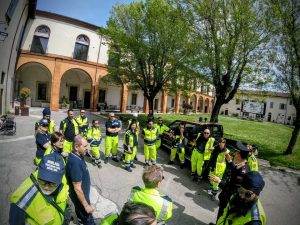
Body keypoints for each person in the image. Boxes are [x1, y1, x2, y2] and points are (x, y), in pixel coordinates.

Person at [9, 153, 68, 225]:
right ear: (39, 172)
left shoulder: (63, 181)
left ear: (61, 178)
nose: (46, 187)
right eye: (42, 181)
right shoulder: (21, 203)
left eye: (52, 183)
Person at [209, 141, 250, 220]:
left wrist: (219, 181)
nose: (234, 153)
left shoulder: (242, 172)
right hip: (226, 197)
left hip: (228, 199)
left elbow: (232, 190)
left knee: (222, 217)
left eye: (237, 152)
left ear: (239, 155)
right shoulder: (242, 164)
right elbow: (235, 170)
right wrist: (230, 161)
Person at [66, 135, 95, 225]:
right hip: (82, 201)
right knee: (87, 220)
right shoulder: (75, 163)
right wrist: (86, 205)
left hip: (82, 198)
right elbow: (77, 188)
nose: (87, 148)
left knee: (81, 218)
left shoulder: (78, 155)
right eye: (85, 146)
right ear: (76, 147)